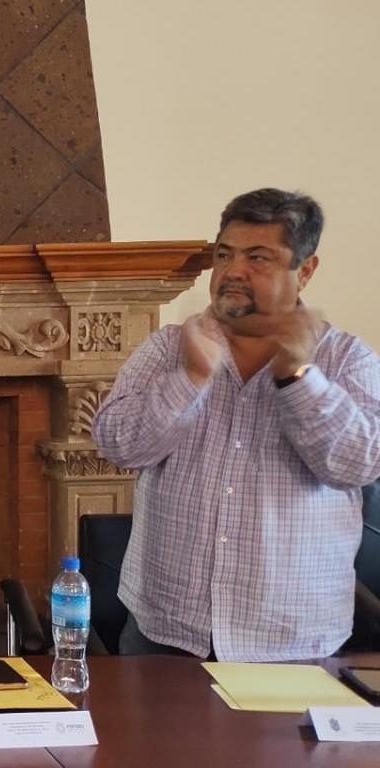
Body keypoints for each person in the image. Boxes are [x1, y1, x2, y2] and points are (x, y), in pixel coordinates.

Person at [94, 188, 380, 662]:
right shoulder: (168, 349)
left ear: (305, 270)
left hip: (291, 643)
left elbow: (358, 465)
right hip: (166, 633)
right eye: (224, 255)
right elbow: (119, 446)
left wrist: (298, 378)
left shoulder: (347, 359)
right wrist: (189, 378)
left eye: (257, 257)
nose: (232, 271)